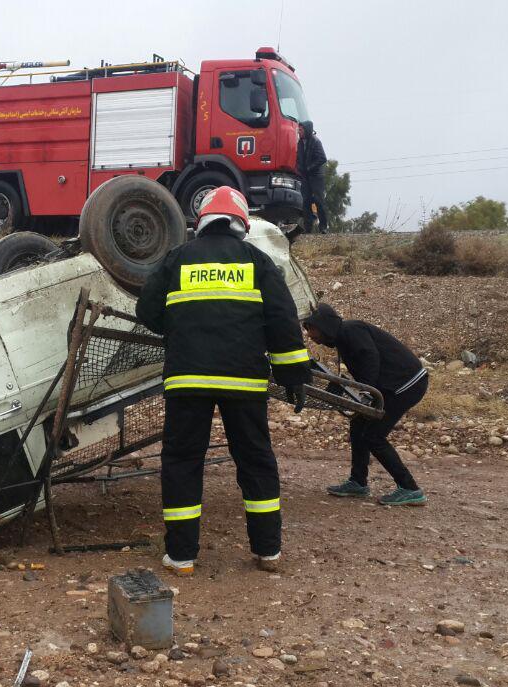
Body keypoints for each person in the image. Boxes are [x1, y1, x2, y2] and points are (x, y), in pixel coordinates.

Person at [136, 186, 312, 576]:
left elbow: (145, 311)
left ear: (201, 223)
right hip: (244, 383)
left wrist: (179, 325)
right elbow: (284, 324)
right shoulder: (258, 262)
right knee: (255, 460)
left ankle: (182, 557)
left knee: (182, 462)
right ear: (241, 224)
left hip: (187, 381)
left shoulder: (177, 260)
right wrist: (293, 375)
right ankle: (268, 552)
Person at [301, 303, 429, 506]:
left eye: (311, 328)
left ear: (323, 324)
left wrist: (367, 391)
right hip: (393, 384)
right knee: (358, 425)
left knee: (373, 436)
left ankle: (409, 488)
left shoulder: (351, 330)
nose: (309, 334)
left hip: (407, 383)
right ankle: (358, 482)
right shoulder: (342, 337)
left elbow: (370, 357)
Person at [298, 121, 328, 234]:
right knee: (306, 201)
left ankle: (323, 227)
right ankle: (308, 229)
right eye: (298, 130)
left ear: (306, 130)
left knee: (319, 201)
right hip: (305, 177)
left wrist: (310, 168)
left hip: (316, 177)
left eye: (301, 130)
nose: (299, 132)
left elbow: (322, 158)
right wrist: (300, 168)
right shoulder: (300, 142)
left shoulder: (316, 141)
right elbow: (299, 158)